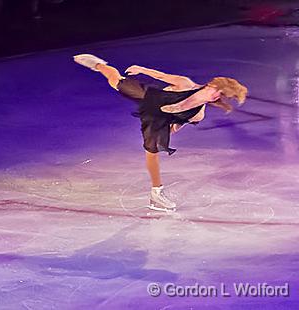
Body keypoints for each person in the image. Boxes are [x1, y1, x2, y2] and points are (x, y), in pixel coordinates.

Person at [73, 54, 248, 212]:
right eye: (216, 90)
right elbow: (161, 76)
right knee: (116, 81)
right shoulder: (185, 83)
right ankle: (99, 65)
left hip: (158, 117)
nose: (215, 96)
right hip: (149, 97)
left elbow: (177, 125)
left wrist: (166, 132)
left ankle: (156, 194)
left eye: (220, 96)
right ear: (211, 84)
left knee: (152, 151)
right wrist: (141, 69)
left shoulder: (198, 113)